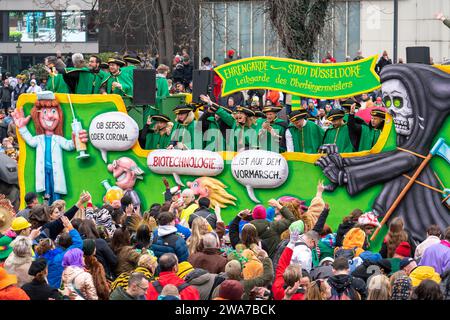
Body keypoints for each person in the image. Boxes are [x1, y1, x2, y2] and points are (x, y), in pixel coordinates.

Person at [35, 216, 83, 288]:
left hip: (41, 289)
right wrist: (70, 227)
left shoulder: (37, 257)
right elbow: (78, 244)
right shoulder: (60, 257)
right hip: (55, 291)